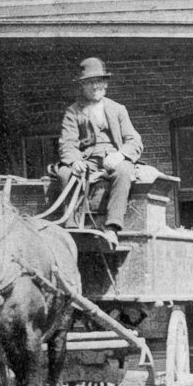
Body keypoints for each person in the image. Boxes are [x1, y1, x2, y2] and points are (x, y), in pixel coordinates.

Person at [57, 57, 143, 245]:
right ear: (82, 85)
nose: (95, 86)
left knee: (125, 171)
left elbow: (134, 140)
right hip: (86, 160)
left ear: (105, 84)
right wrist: (74, 161)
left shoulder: (118, 109)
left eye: (99, 81)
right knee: (65, 172)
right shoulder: (73, 112)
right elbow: (67, 143)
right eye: (90, 82)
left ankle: (112, 228)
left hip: (114, 159)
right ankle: (71, 227)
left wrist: (120, 155)